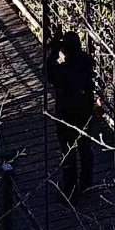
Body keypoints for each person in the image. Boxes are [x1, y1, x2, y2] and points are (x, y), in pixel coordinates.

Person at [46, 32, 98, 200]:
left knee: (68, 152)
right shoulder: (86, 63)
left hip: (66, 112)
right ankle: (87, 185)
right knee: (85, 147)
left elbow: (49, 73)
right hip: (84, 109)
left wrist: (54, 51)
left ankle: (70, 192)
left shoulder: (62, 71)